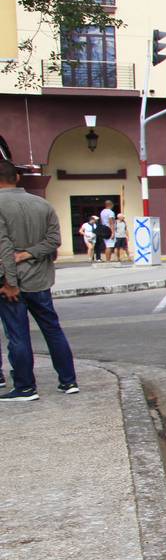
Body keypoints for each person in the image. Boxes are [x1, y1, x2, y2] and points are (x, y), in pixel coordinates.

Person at [0, 161, 78, 399]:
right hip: (40, 280)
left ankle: (24, 386)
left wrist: (10, 282)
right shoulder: (43, 205)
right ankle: (68, 381)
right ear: (18, 178)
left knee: (17, 334)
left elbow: (3, 248)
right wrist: (30, 253)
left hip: (11, 282)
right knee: (52, 330)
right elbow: (54, 240)